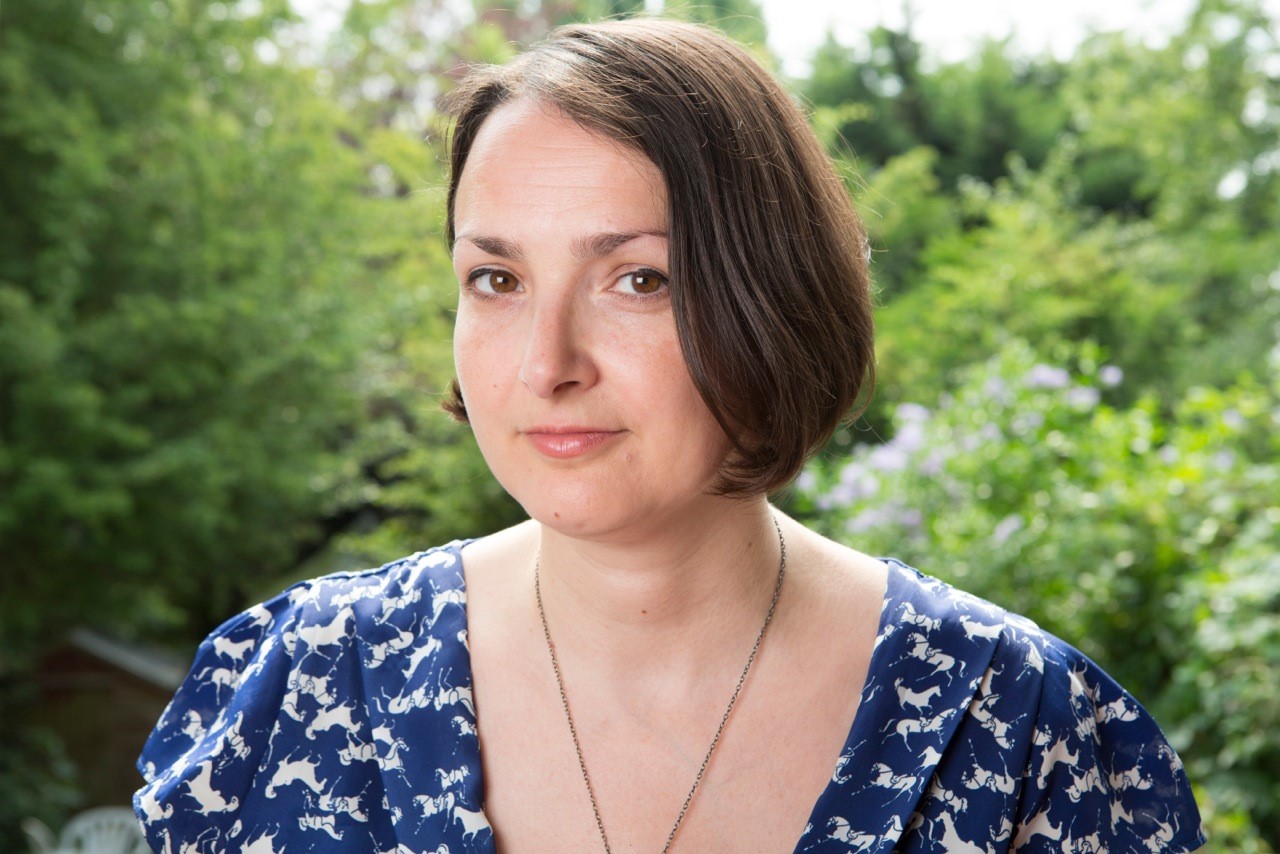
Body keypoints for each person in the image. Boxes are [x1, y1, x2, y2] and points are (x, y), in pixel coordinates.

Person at [134, 18, 1205, 853]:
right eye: (495, 279)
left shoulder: (1023, 733)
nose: (545, 362)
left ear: (772, 295)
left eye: (637, 278)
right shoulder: (298, 692)